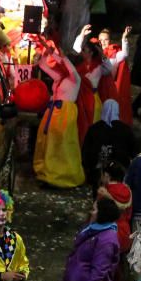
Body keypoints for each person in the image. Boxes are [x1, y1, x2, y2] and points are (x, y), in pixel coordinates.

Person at [59, 197, 120, 281]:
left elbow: (100, 270)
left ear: (102, 213)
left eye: (94, 209)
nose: (91, 212)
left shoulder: (106, 240)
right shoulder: (94, 230)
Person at [33, 45, 85, 189]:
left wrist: (61, 56)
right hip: (53, 112)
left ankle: (63, 176)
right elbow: (43, 66)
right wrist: (46, 53)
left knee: (63, 145)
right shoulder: (61, 78)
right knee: (48, 143)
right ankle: (48, 174)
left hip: (65, 114)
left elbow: (71, 69)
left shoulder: (76, 79)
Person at [81, 100, 136, 195]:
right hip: (120, 172)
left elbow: (86, 152)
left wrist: (88, 169)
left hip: (97, 172)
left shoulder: (94, 129)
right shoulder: (125, 129)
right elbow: (134, 152)